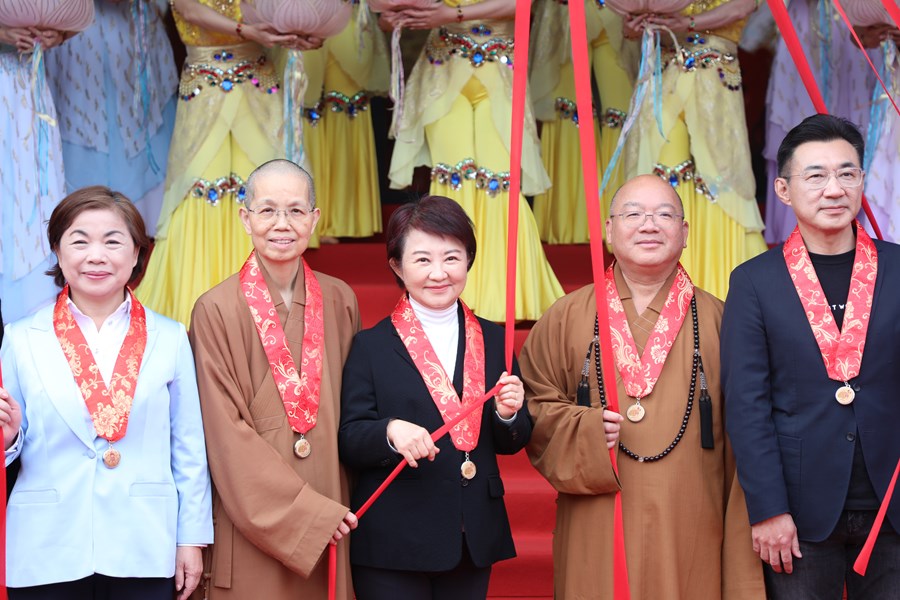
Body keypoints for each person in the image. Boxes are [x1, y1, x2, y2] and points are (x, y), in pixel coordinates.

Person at [521, 174, 764, 599]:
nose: (649, 225)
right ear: (609, 229)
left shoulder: (723, 319)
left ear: (685, 233)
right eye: (633, 214)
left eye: (664, 214)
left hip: (693, 516)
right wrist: (581, 431)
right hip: (597, 514)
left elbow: (753, 425)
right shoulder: (566, 316)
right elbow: (532, 403)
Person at [0, 186, 213, 599]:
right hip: (47, 544)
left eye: (113, 241)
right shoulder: (22, 337)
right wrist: (7, 438)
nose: (96, 255)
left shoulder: (169, 338)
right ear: (58, 253)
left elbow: (188, 447)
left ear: (136, 253)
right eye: (79, 241)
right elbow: (13, 438)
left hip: (145, 541)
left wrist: (191, 538)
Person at [721, 114, 900, 598]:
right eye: (815, 175)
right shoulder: (755, 281)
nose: (834, 189)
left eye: (846, 173)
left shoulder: (899, 269)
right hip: (798, 512)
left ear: (863, 181)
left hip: (894, 504)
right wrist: (768, 509)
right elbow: (746, 406)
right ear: (782, 189)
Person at [339, 195, 532, 599]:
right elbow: (350, 436)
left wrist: (509, 415)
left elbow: (513, 442)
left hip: (473, 533)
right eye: (423, 259)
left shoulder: (495, 338)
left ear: (468, 260)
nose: (439, 273)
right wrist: (390, 432)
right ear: (397, 265)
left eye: (451, 258)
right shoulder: (370, 346)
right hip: (394, 539)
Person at [189, 159, 360, 599]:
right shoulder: (216, 309)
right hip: (256, 517)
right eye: (267, 211)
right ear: (245, 218)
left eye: (296, 211)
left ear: (314, 219)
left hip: (331, 511)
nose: (282, 224)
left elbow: (356, 412)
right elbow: (223, 434)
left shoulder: (340, 299)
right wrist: (307, 516)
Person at [135, 0, 316, 327]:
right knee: (203, 186)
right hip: (206, 87)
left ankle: (267, 302)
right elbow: (189, 9)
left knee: (268, 190)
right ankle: (200, 300)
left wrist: (299, 30)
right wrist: (248, 29)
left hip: (258, 81)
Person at [383, 0, 563, 322]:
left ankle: (508, 294)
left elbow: (522, 5)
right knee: (452, 175)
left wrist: (453, 14)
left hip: (500, 67)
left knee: (500, 178)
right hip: (442, 69)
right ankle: (448, 289)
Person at [616, 0, 768, 299]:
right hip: (664, 74)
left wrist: (686, 24)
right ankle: (666, 274)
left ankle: (720, 275)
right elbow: (631, 28)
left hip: (714, 76)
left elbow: (742, 7)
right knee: (664, 171)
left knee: (720, 176)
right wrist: (633, 28)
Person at [45, 0, 179, 236]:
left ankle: (145, 226)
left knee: (141, 115)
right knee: (80, 115)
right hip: (76, 35)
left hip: (135, 31)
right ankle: (82, 224)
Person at [0, 7, 90, 323]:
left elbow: (79, 12)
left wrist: (60, 33)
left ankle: (32, 315)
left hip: (26, 82)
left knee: (35, 196)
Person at [530, 0, 637, 244]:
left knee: (622, 112)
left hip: (618, 12)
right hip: (568, 11)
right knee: (569, 108)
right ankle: (568, 222)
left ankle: (625, 216)